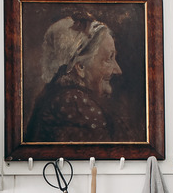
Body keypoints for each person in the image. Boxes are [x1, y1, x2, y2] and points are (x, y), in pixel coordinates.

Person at [25, 12, 129, 143]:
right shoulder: (73, 102)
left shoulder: (65, 96)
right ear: (80, 67)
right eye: (109, 58)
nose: (118, 70)